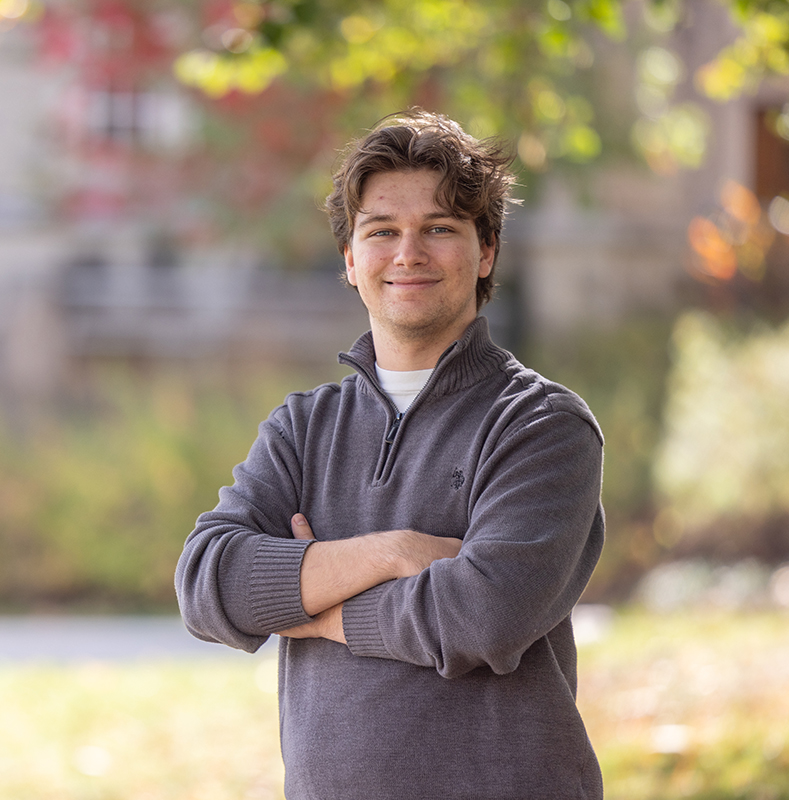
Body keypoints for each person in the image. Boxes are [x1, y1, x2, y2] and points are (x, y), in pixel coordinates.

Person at [175, 109, 605, 800]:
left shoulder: (541, 425)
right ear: (351, 260)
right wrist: (393, 553)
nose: (408, 253)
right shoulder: (302, 426)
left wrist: (311, 607)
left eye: (439, 228)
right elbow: (207, 585)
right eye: (382, 231)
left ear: (486, 250)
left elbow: (480, 617)